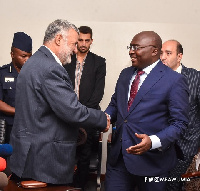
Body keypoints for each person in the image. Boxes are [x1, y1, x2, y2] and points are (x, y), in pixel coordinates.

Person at [8, 19, 110, 185]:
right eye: (73, 44)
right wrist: (102, 119)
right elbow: (72, 111)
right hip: (44, 158)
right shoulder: (50, 68)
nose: (75, 49)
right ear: (58, 40)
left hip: (30, 151)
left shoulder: (35, 62)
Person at [104, 31, 189, 191]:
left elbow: (179, 123)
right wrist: (106, 117)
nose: (131, 51)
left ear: (154, 50)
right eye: (130, 47)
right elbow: (116, 104)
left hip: (154, 162)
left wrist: (153, 141)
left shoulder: (174, 80)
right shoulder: (125, 74)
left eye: (136, 47)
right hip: (119, 160)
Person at [64, 26, 106, 190]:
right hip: (66, 114)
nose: (83, 43)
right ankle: (65, 185)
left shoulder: (99, 62)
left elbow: (98, 93)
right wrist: (69, 110)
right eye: (80, 40)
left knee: (85, 154)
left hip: (88, 115)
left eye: (86, 40)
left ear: (91, 41)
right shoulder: (67, 59)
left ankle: (79, 187)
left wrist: (82, 114)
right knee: (66, 152)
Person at [160, 40, 200, 191]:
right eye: (161, 53)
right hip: (160, 146)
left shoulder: (195, 78)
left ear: (179, 56)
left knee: (173, 185)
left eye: (168, 53)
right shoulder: (155, 78)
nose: (163, 57)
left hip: (185, 145)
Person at [0, 32, 32, 143]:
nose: (27, 59)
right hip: (8, 127)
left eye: (29, 56)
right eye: (23, 56)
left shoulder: (33, 74)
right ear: (12, 54)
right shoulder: (2, 74)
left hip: (29, 126)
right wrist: (19, 111)